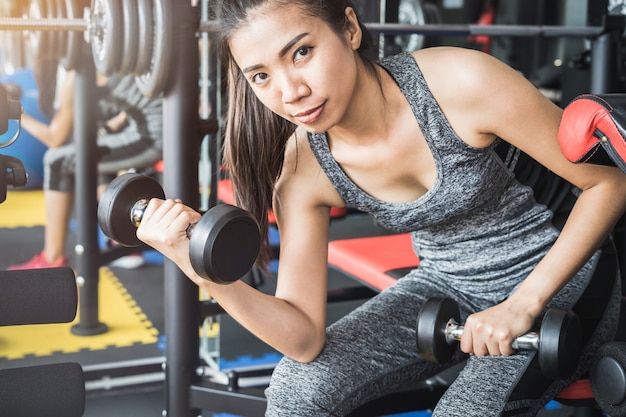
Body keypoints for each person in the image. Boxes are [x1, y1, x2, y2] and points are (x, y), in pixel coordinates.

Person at [135, 1, 626, 416]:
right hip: (446, 286)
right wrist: (195, 265)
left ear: (349, 28)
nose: (289, 92)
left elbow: (607, 184)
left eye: (301, 52)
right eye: (261, 76)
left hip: (567, 276)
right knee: (296, 390)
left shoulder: (460, 84)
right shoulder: (305, 167)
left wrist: (523, 304)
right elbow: (303, 339)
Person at [8, 66, 163, 270]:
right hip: (137, 127)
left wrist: (15, 113)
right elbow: (120, 113)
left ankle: (52, 260)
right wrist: (106, 130)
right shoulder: (86, 67)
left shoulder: (75, 69)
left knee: (57, 161)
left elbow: (54, 138)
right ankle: (121, 238)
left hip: (150, 133)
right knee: (90, 156)